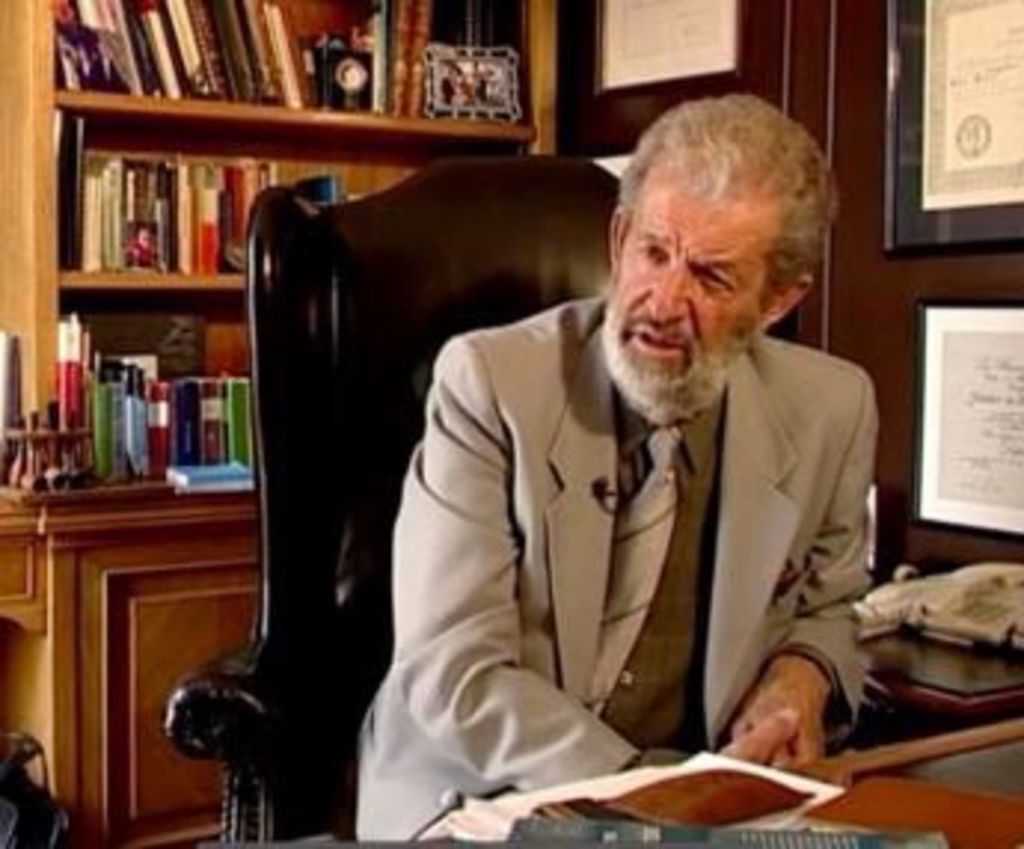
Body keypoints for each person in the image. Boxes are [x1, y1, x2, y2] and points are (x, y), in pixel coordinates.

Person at [356, 93, 878, 839]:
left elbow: (831, 607)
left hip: (704, 806)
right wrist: (652, 793)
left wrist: (802, 675)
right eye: (654, 253)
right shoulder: (489, 384)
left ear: (778, 301)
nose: (663, 302)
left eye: (712, 277)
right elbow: (453, 671)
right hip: (483, 791)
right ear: (619, 237)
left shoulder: (833, 406)